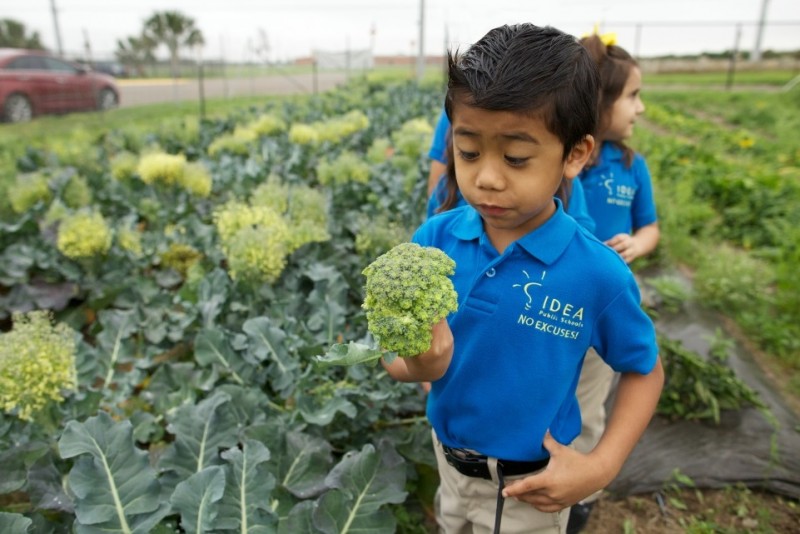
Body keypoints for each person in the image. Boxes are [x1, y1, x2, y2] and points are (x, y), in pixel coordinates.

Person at [382, 23, 664, 534]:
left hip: (529, 489)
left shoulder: (597, 273)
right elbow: (392, 356)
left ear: (575, 154)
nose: (487, 176)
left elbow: (645, 369)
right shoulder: (434, 239)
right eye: (467, 152)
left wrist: (601, 465)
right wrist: (419, 362)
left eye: (516, 157)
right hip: (447, 463)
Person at [567, 32, 661, 534]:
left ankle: (582, 493)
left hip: (607, 308)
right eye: (631, 95)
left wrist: (637, 245)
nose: (640, 108)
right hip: (556, 302)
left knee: (589, 399)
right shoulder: (561, 163)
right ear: (598, 102)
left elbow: (651, 227)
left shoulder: (631, 165)